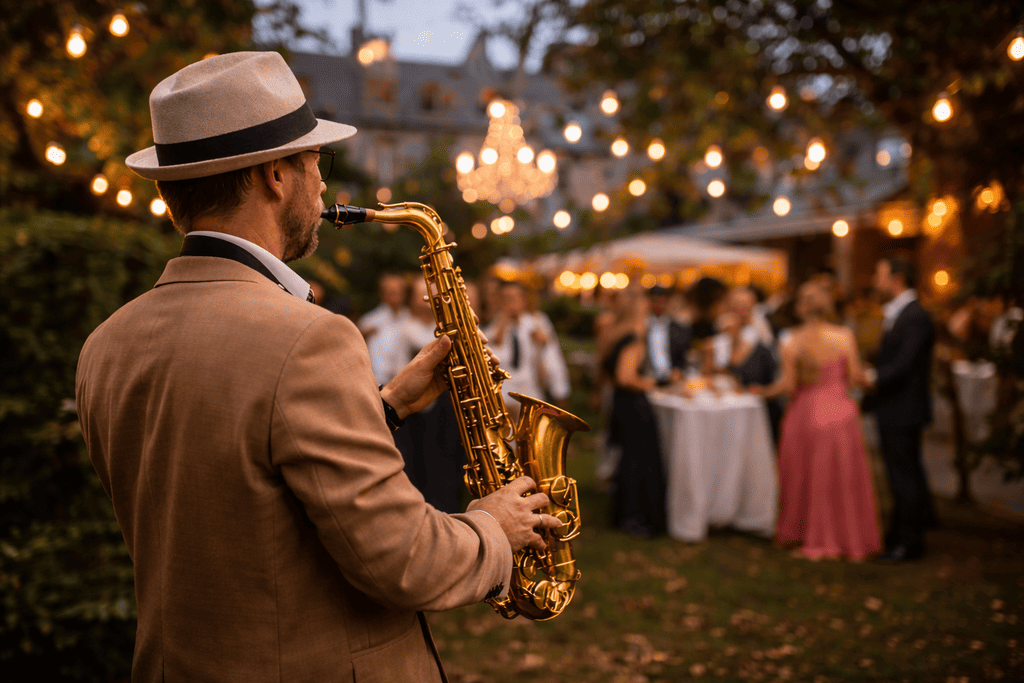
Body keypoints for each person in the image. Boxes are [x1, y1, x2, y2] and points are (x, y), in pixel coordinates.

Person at [75, 52, 561, 682]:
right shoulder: (308, 340)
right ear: (276, 175)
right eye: (315, 162)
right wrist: (495, 526)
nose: (324, 185)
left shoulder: (106, 343)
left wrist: (387, 406)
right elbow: (407, 561)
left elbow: (237, 482)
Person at [755, 281, 882, 561]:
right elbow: (857, 377)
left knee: (806, 478)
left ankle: (804, 534)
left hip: (805, 413)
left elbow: (787, 384)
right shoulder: (844, 336)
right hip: (841, 414)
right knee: (842, 480)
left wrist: (761, 391)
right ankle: (847, 537)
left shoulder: (791, 340)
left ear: (801, 307)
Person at [863, 254, 937, 563]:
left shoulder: (914, 315)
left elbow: (903, 365)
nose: (875, 282)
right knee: (901, 473)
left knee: (904, 474)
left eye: (880, 275)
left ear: (897, 279)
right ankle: (899, 533)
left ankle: (909, 541)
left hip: (903, 408)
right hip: (895, 407)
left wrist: (872, 377)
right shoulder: (900, 313)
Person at [393, 278, 465, 513]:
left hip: (444, 405)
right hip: (414, 409)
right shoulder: (403, 329)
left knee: (445, 459)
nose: (426, 299)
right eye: (419, 294)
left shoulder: (444, 327)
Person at [602, 286, 667, 537]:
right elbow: (625, 376)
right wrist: (649, 383)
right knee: (640, 463)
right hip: (633, 403)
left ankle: (624, 514)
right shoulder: (634, 335)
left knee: (628, 460)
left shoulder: (613, 332)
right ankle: (637, 516)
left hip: (620, 403)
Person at [485, 280, 570, 415]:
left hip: (530, 392)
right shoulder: (492, 325)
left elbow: (554, 361)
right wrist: (502, 324)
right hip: (502, 397)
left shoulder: (537, 323)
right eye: (506, 298)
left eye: (515, 297)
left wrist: (560, 393)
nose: (511, 302)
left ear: (524, 299)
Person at [358, 271, 410, 385]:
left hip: (405, 381)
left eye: (398, 292)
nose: (395, 296)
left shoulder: (410, 318)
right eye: (391, 292)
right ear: (382, 294)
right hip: (377, 382)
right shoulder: (369, 321)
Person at [645, 284, 692, 385]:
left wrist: (678, 370)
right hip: (646, 380)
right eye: (655, 301)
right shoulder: (641, 328)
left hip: (671, 381)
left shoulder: (679, 328)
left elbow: (682, 356)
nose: (659, 306)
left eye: (662, 302)